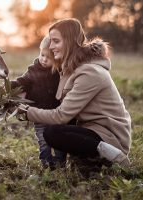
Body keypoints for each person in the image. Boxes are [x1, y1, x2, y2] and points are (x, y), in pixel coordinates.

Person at [19, 18, 131, 167]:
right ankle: (92, 158)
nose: (51, 46)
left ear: (70, 41)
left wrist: (25, 111)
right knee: (60, 136)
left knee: (53, 133)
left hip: (110, 136)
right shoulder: (69, 69)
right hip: (89, 130)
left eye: (56, 41)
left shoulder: (89, 72)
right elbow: (40, 82)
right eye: (51, 41)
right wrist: (21, 92)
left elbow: (61, 116)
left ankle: (113, 155)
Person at [11, 36, 67, 169]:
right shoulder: (33, 70)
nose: (44, 59)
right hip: (38, 113)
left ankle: (60, 163)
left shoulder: (59, 73)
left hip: (56, 114)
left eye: (49, 57)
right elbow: (23, 82)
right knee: (43, 141)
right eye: (42, 55)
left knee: (59, 141)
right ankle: (47, 164)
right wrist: (11, 86)